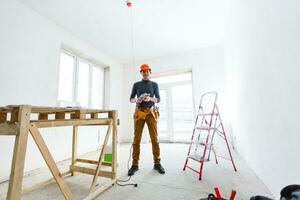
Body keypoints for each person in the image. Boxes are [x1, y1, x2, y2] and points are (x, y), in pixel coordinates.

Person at [127, 64, 165, 176]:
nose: (145, 73)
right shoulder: (136, 84)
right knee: (136, 140)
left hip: (151, 113)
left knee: (155, 139)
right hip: (139, 113)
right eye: (143, 71)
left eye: (147, 71)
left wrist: (150, 98)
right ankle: (134, 165)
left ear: (150, 72)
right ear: (141, 73)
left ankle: (157, 163)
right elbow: (130, 99)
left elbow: (158, 99)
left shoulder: (154, 84)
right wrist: (137, 100)